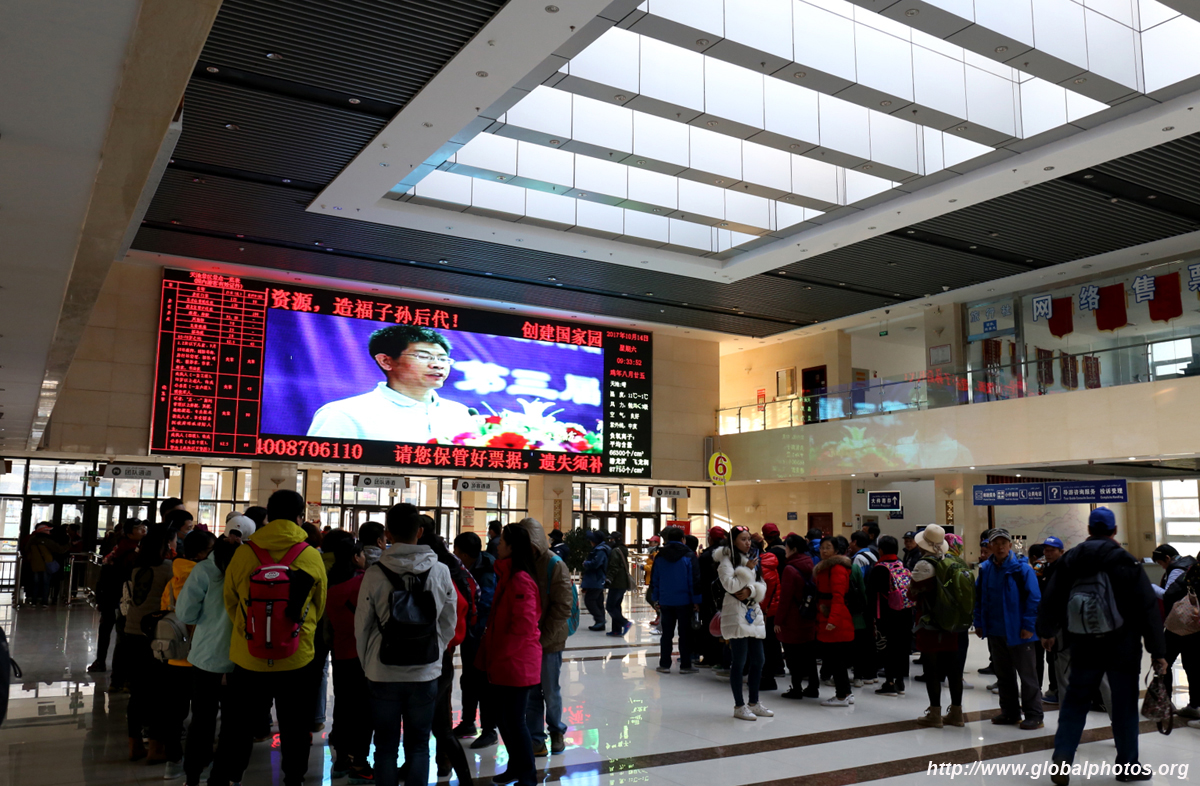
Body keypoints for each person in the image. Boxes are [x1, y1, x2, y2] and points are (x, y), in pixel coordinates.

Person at [1039, 507, 1168, 785]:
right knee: (1123, 707)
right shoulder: (1125, 560)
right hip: (1123, 647)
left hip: (1083, 644)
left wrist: (1047, 631)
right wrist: (1158, 651)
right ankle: (1127, 766)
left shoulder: (1071, 558)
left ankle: (1063, 757)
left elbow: (1052, 596)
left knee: (1074, 702)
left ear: (1089, 530)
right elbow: (1147, 608)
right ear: (1114, 531)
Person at [223, 490, 328, 786]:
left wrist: (250, 631)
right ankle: (294, 778)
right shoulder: (310, 555)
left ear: (268, 516)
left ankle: (233, 777)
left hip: (249, 656)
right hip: (296, 657)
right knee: (295, 726)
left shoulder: (245, 553)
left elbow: (230, 600)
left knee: (240, 725)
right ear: (300, 518)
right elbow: (319, 605)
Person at [356, 503, 457, 786]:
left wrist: (368, 664)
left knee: (385, 747)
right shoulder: (440, 571)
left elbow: (362, 626)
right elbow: (448, 622)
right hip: (424, 672)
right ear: (420, 531)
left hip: (382, 671)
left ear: (388, 533)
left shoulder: (374, 573)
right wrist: (433, 650)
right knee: (419, 745)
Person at [307, 324, 475, 442]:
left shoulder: (460, 413)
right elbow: (318, 470)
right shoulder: (344, 413)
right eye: (423, 356)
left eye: (443, 359)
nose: (437, 365)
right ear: (386, 361)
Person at [482, 523, 543, 786]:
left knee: (515, 722)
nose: (498, 545)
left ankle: (528, 776)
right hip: (505, 661)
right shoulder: (507, 575)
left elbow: (523, 627)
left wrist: (500, 655)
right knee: (505, 721)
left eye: (502, 541)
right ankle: (515, 767)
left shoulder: (520, 579)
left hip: (516, 663)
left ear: (512, 547)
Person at [177, 538, 237, 786]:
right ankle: (224, 777)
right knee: (233, 723)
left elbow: (185, 613)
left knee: (202, 719)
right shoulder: (248, 570)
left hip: (206, 656)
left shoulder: (204, 570)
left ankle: (192, 775)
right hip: (240, 659)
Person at [158, 529, 215, 776]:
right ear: (202, 553)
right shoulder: (210, 580)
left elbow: (165, 612)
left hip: (174, 656)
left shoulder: (173, 579)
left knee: (174, 712)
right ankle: (203, 759)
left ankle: (173, 760)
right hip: (203, 657)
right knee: (204, 713)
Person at [975, 528, 1043, 730]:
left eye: (1004, 543)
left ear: (1010, 546)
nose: (1000, 547)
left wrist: (1028, 626)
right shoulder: (986, 569)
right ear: (990, 546)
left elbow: (1034, 598)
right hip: (996, 631)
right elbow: (979, 598)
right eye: (996, 543)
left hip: (1020, 632)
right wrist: (979, 622)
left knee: (1027, 676)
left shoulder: (1022, 569)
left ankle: (1034, 715)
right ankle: (1010, 712)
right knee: (1004, 675)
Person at [517, 517, 573, 758]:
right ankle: (536, 739)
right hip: (528, 640)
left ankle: (557, 731)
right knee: (531, 692)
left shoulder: (554, 564)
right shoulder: (521, 563)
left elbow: (563, 606)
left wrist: (544, 638)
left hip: (550, 640)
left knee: (550, 691)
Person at [122, 526, 174, 762]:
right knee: (159, 693)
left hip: (132, 633)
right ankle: (156, 748)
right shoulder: (168, 568)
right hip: (156, 634)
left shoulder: (136, 567)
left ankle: (134, 746)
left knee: (138, 692)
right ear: (165, 546)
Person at [909, 524, 970, 728]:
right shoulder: (953, 562)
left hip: (930, 625)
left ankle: (935, 713)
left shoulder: (923, 565)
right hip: (951, 624)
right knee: (954, 670)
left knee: (932, 669)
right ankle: (957, 713)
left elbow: (911, 593)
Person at [325, 537, 374, 783]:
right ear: (356, 557)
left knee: (343, 706)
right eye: (363, 554)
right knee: (364, 711)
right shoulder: (364, 582)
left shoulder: (330, 583)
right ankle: (360, 763)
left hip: (341, 652)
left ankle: (341, 760)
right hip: (365, 655)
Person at [715, 525, 772, 721]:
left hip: (753, 612)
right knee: (739, 661)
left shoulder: (752, 559)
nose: (747, 543)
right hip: (735, 613)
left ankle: (754, 702)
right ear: (733, 541)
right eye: (743, 539)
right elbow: (730, 585)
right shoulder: (726, 561)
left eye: (749, 539)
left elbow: (762, 584)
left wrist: (751, 591)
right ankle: (739, 705)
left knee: (759, 659)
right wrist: (746, 571)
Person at [452, 531, 498, 746]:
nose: (454, 554)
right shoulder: (465, 567)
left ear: (465, 554)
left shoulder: (487, 571)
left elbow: (485, 604)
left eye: (456, 551)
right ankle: (468, 722)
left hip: (483, 635)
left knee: (483, 683)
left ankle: (489, 730)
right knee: (468, 679)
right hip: (470, 634)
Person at [1156, 544, 1200, 719]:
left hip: (1179, 625)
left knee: (1165, 661)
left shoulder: (1192, 570)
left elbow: (1170, 594)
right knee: (1193, 666)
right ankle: (1195, 705)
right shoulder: (1190, 566)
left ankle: (1165, 703)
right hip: (1196, 629)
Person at [867, 535, 913, 697]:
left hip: (886, 614)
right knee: (901, 647)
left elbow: (871, 593)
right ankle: (900, 682)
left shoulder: (879, 568)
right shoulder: (901, 564)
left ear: (880, 550)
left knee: (887, 647)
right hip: (905, 612)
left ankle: (889, 682)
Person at [651, 526, 701, 675]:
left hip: (666, 600)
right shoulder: (689, 555)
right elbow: (694, 580)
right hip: (685, 601)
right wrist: (696, 601)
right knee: (685, 634)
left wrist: (655, 599)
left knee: (666, 634)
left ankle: (664, 664)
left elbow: (655, 579)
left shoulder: (660, 556)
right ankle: (685, 665)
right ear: (682, 539)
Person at [813, 535, 855, 706]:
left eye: (828, 547)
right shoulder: (826, 567)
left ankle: (841, 696)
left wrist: (833, 619)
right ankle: (846, 693)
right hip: (828, 616)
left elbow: (838, 596)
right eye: (822, 547)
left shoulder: (836, 568)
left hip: (835, 619)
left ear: (836, 550)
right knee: (836, 659)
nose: (824, 551)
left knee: (836, 659)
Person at [776, 534, 819, 699]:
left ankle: (796, 688)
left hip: (793, 618)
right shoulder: (810, 563)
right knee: (809, 655)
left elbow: (785, 598)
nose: (785, 550)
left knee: (792, 655)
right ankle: (813, 687)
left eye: (787, 547)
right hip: (808, 615)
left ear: (793, 549)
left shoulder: (789, 569)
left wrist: (778, 621)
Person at [696, 526, 727, 668]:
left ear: (710, 539)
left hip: (708, 597)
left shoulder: (705, 556)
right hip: (726, 596)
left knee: (709, 627)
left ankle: (710, 657)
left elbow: (700, 579)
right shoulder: (729, 554)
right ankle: (724, 659)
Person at [26, 523, 68, 607]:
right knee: (46, 583)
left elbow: (26, 549)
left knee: (36, 583)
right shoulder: (47, 540)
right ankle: (44, 601)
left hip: (35, 564)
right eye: (47, 530)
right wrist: (68, 545)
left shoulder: (32, 540)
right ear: (43, 531)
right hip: (46, 564)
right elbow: (59, 549)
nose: (49, 532)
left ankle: (34, 601)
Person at [581, 530, 610, 631]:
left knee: (589, 600)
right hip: (598, 579)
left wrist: (586, 564)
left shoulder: (600, 550)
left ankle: (600, 620)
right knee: (598, 601)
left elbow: (596, 564)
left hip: (596, 579)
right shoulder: (601, 549)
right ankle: (600, 623)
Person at [605, 532, 633, 637]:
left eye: (611, 539)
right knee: (616, 606)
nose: (610, 541)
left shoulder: (615, 551)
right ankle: (616, 630)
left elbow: (614, 566)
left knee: (610, 606)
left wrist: (609, 579)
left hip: (617, 582)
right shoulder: (623, 549)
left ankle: (625, 623)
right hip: (623, 582)